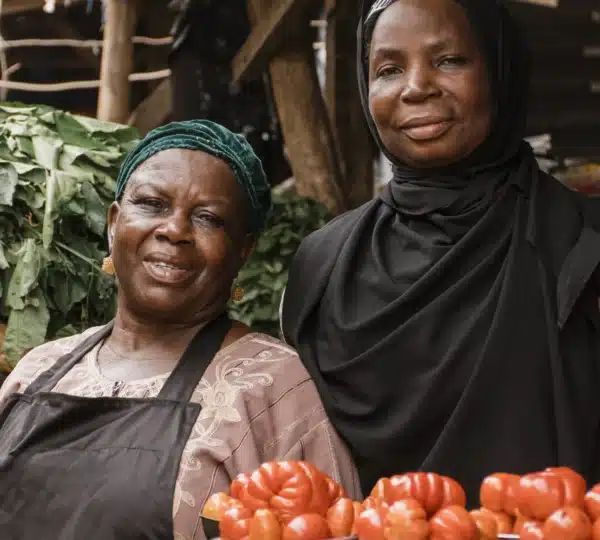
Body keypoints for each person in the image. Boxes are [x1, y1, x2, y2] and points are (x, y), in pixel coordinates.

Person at [281, 0, 600, 506]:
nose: (416, 87)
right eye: (388, 69)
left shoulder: (582, 247)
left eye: (449, 60)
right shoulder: (323, 267)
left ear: (499, 70)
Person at [0, 120, 360, 539]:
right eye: (152, 204)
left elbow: (338, 527)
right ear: (114, 222)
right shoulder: (40, 367)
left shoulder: (273, 390)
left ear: (243, 250)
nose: (174, 230)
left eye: (208, 217)